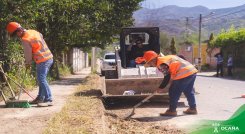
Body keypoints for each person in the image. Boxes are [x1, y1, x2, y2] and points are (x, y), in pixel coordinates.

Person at [136, 51, 198, 116]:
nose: (151, 65)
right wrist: (172, 80)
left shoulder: (161, 63)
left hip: (183, 73)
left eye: (149, 62)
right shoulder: (165, 58)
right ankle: (193, 108)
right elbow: (174, 68)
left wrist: (161, 87)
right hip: (192, 71)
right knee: (188, 90)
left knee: (173, 92)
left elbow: (167, 76)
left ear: (153, 60)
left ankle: (172, 110)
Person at [6, 22, 54, 107]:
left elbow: (28, 53)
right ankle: (40, 98)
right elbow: (41, 36)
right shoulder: (33, 31)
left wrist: (28, 63)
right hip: (48, 57)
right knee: (40, 79)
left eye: (16, 34)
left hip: (43, 60)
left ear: (19, 31)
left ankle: (49, 99)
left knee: (41, 79)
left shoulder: (25, 39)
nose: (17, 36)